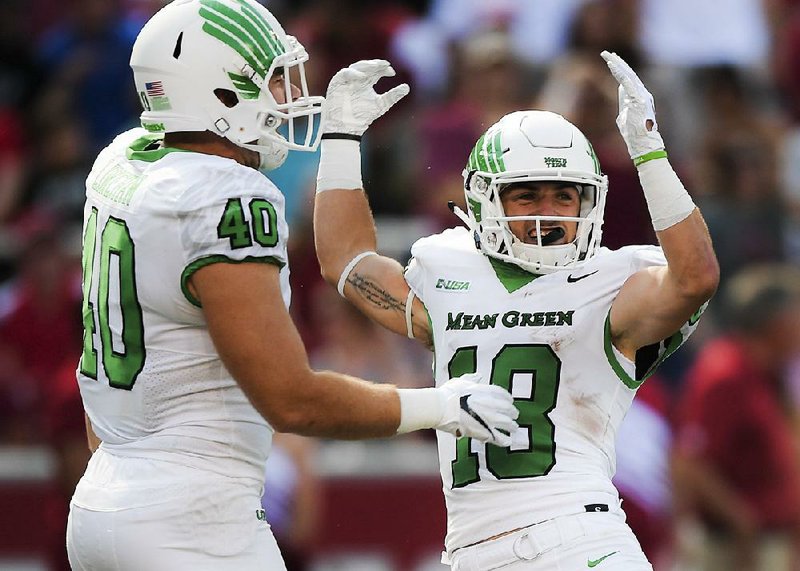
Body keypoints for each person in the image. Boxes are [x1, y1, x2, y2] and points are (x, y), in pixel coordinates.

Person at [65, 2, 520, 570]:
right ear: (221, 94)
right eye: (272, 79)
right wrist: (441, 406)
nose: (288, 97)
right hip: (195, 517)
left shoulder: (121, 163)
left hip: (103, 496)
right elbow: (292, 400)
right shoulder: (225, 196)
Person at [313, 52, 719, 570]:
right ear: (484, 200)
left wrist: (648, 153)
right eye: (525, 196)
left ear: (589, 203)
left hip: (577, 535)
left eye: (563, 196)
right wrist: (341, 139)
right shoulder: (447, 271)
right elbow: (346, 262)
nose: (546, 213)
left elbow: (696, 278)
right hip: (471, 550)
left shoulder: (613, 283)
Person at [671, 264, 800, 571]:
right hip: (730, 549)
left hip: (771, 540)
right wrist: (742, 521)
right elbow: (689, 462)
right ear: (776, 323)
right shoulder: (724, 373)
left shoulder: (772, 371)